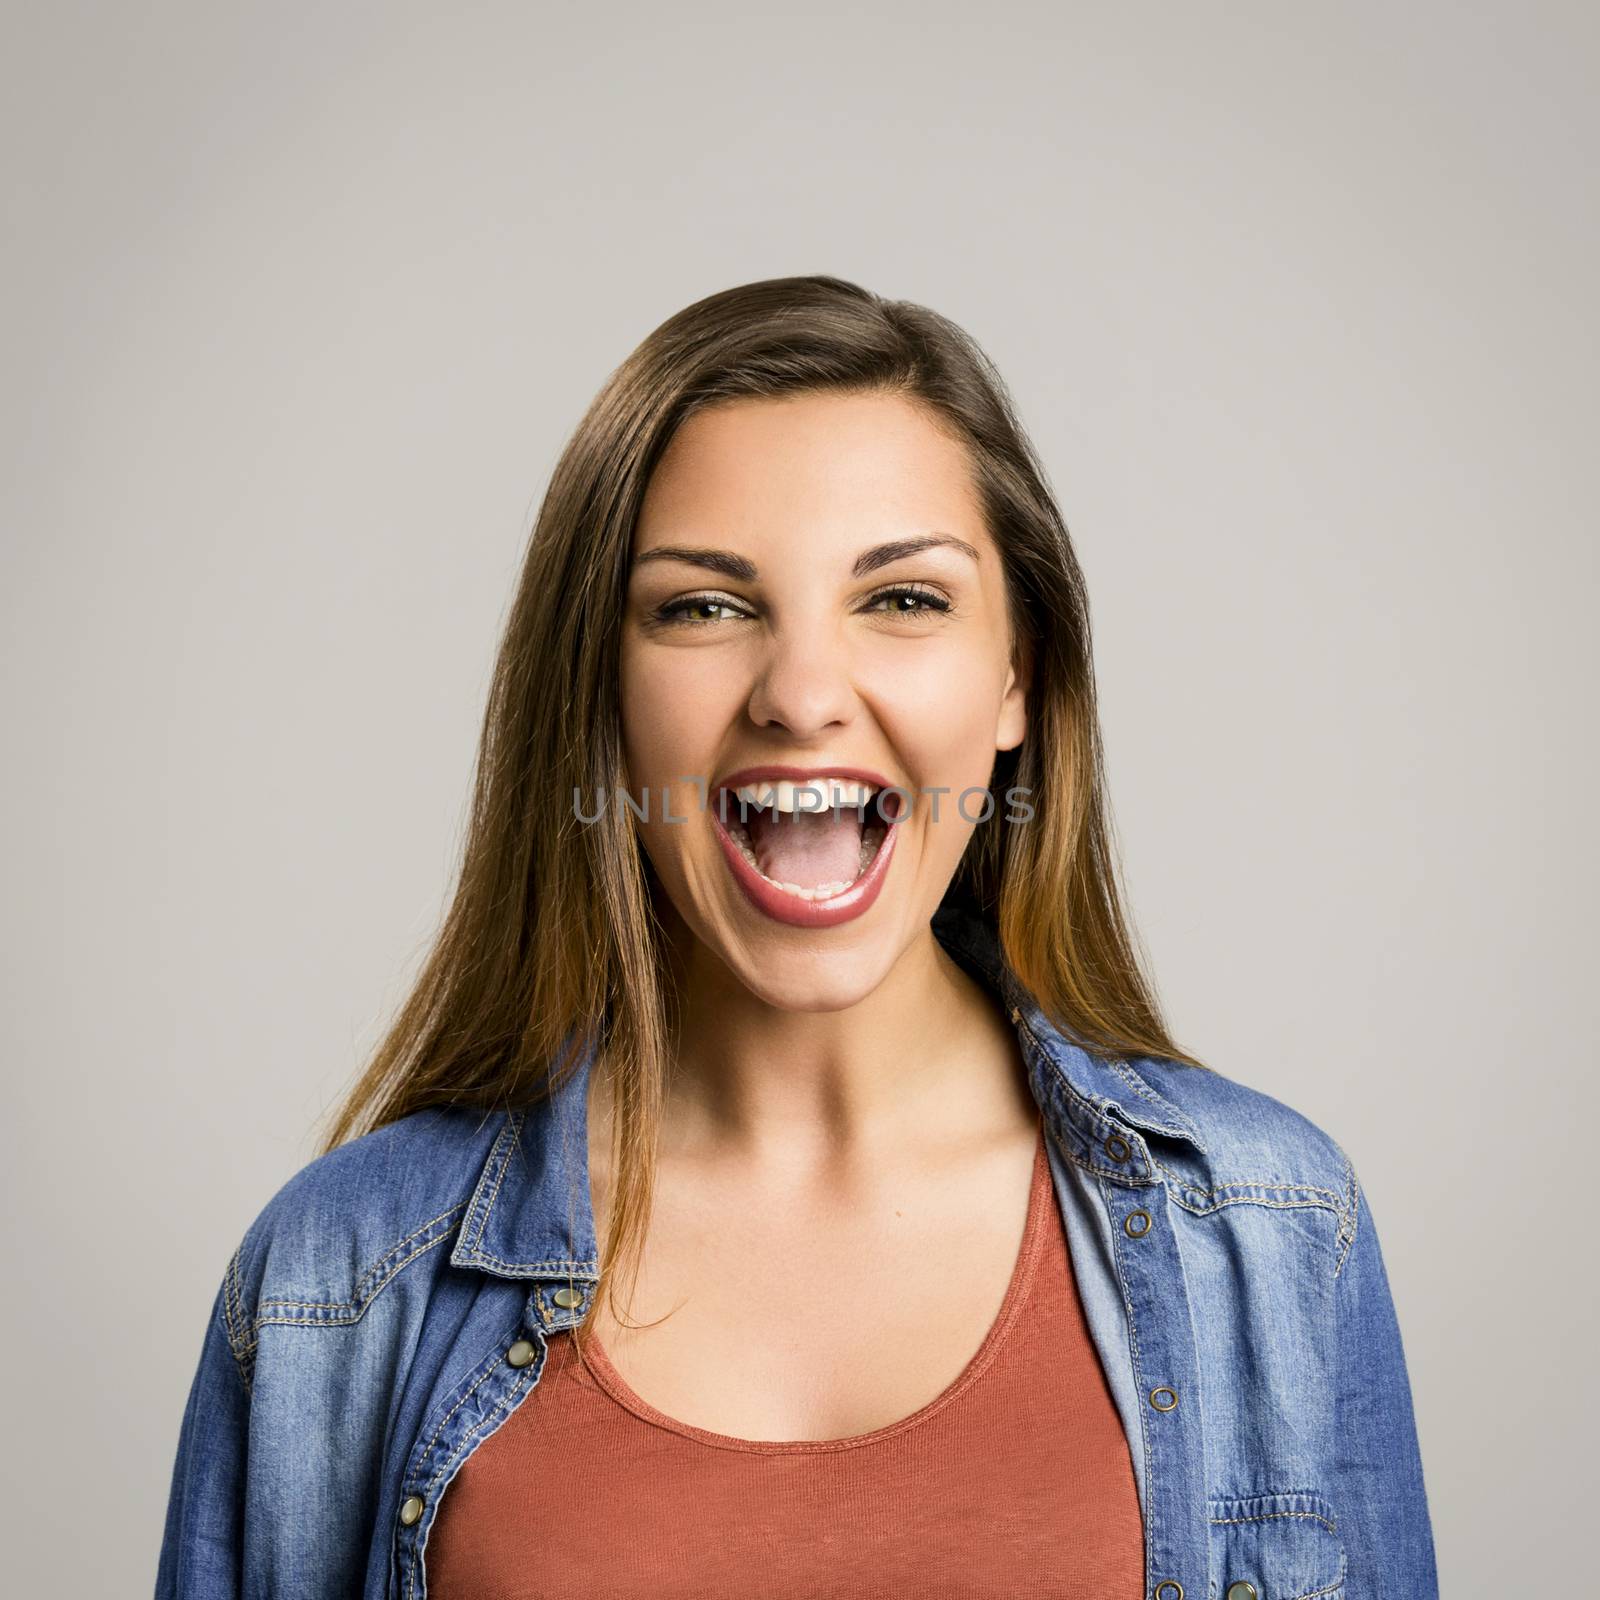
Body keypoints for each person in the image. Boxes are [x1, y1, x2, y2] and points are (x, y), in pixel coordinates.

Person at [154, 275, 1439, 1600]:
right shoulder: (335, 1285)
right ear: (600, 691)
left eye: (903, 600)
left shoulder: (1273, 1233)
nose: (803, 696)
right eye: (704, 607)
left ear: (1018, 681)